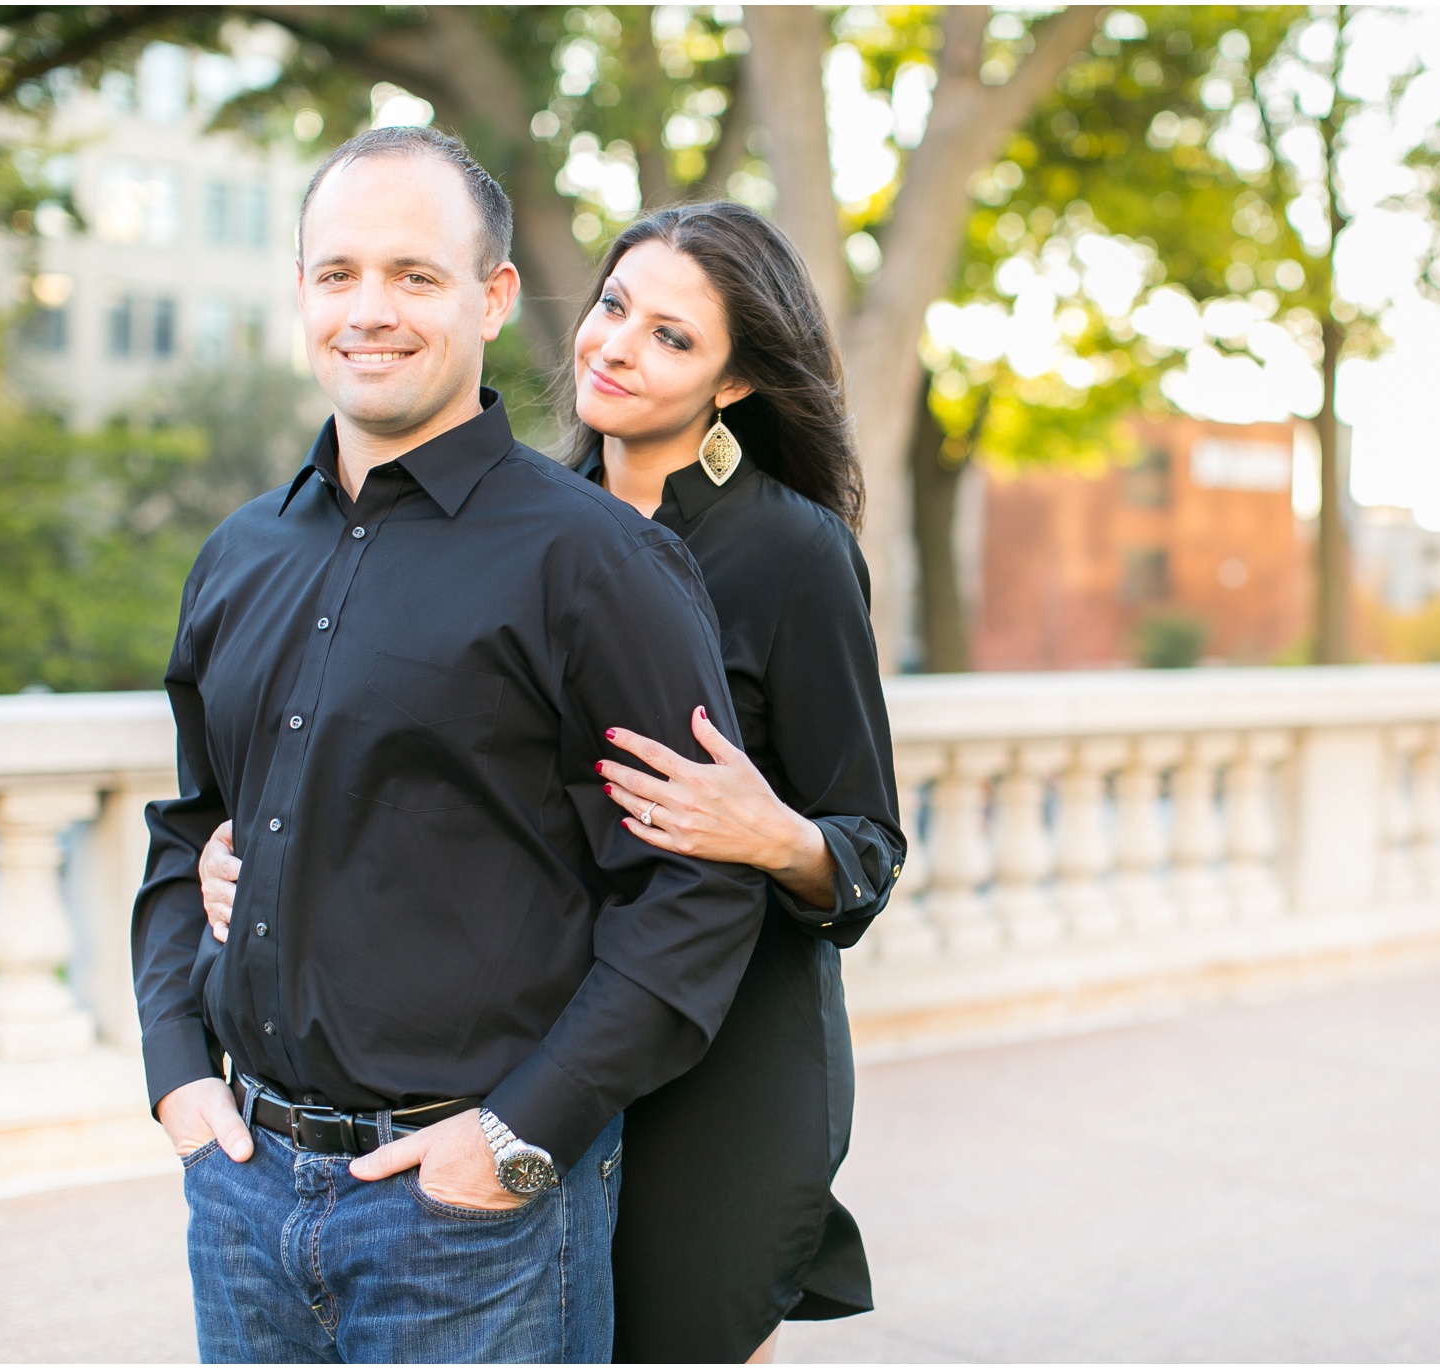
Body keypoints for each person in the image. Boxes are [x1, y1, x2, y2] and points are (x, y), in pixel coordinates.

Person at [195, 200, 906, 1363]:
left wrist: (774, 832)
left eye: (673, 337)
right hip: (539, 1032)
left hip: (718, 1056)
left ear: (734, 384)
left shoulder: (791, 556)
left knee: (677, 1335)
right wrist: (261, 857)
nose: (618, 344)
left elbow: (867, 846)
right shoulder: (521, 519)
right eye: (615, 307)